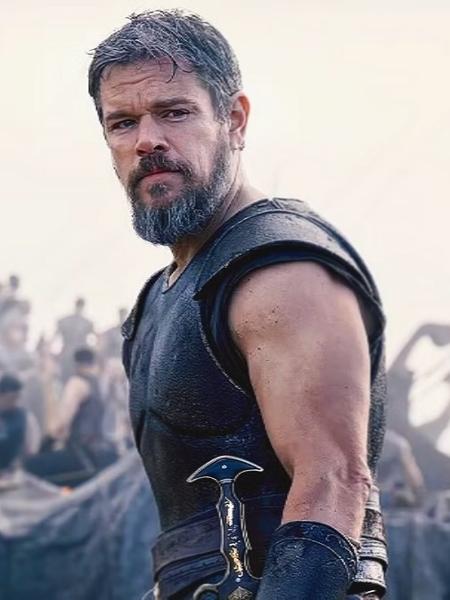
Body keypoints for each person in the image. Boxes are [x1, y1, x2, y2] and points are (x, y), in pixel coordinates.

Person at [89, 10, 388, 599]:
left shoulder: (280, 271)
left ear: (234, 119)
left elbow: (334, 483)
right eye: (123, 123)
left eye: (175, 112)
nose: (147, 140)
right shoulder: (164, 295)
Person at [0, 374, 40, 487]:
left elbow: (32, 448)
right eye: (10, 398)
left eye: (17, 398)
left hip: (13, 475)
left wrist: (22, 465)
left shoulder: (25, 417)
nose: (14, 402)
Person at [55, 298, 94, 381]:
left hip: (76, 356)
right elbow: (55, 336)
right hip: (72, 355)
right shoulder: (65, 321)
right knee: (68, 378)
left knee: (76, 378)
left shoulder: (86, 322)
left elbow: (98, 338)